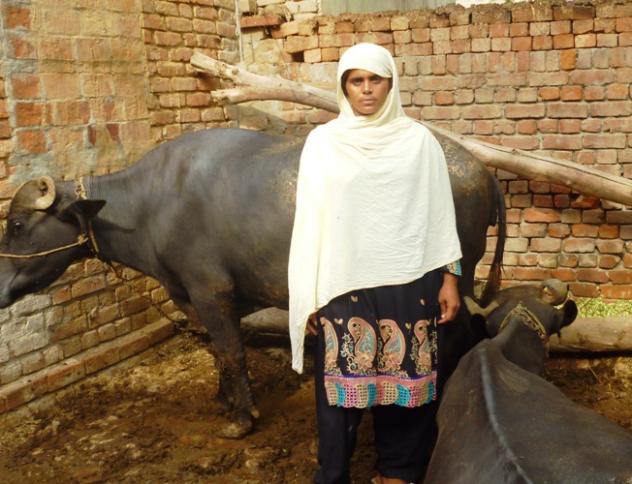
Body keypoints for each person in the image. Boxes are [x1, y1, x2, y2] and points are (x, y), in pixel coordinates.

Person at [288, 43, 462, 484]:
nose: (366, 90)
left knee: (409, 387)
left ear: (391, 84)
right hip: (344, 283)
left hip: (410, 278)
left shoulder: (419, 142)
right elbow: (310, 221)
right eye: (356, 81)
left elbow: (440, 213)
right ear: (344, 87)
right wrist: (308, 293)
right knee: (339, 391)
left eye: (375, 80)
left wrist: (450, 278)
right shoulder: (323, 144)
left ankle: (397, 471)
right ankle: (333, 474)